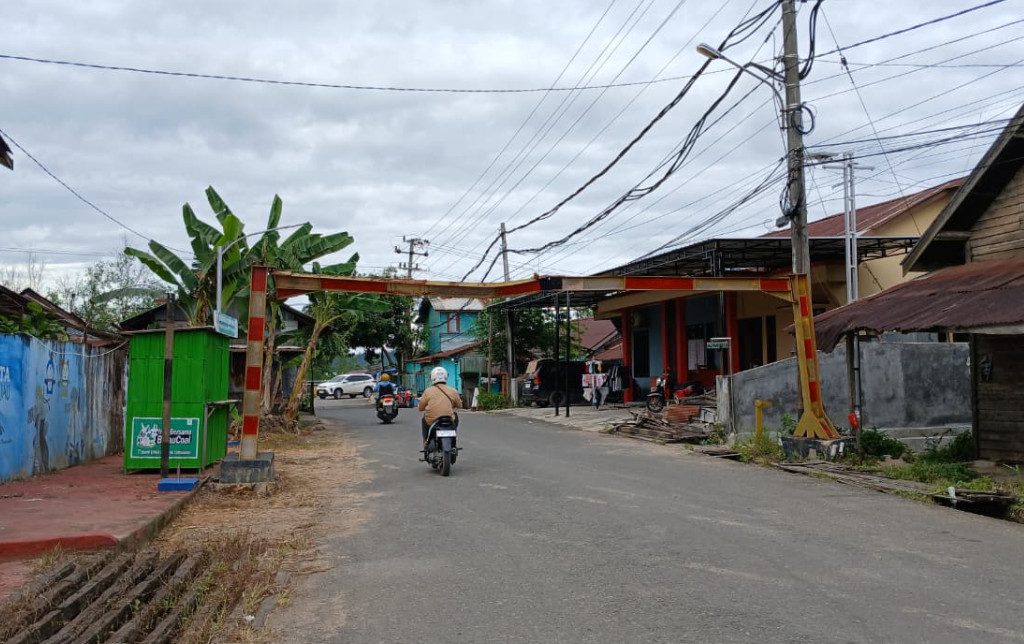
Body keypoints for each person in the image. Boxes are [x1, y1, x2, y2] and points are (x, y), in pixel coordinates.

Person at [417, 366, 463, 448]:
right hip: (449, 418)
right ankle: (453, 436)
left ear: (432, 377)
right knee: (455, 415)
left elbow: (420, 408)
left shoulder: (428, 391)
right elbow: (459, 405)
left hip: (432, 420)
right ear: (446, 377)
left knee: (424, 419)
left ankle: (425, 441)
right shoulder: (453, 390)